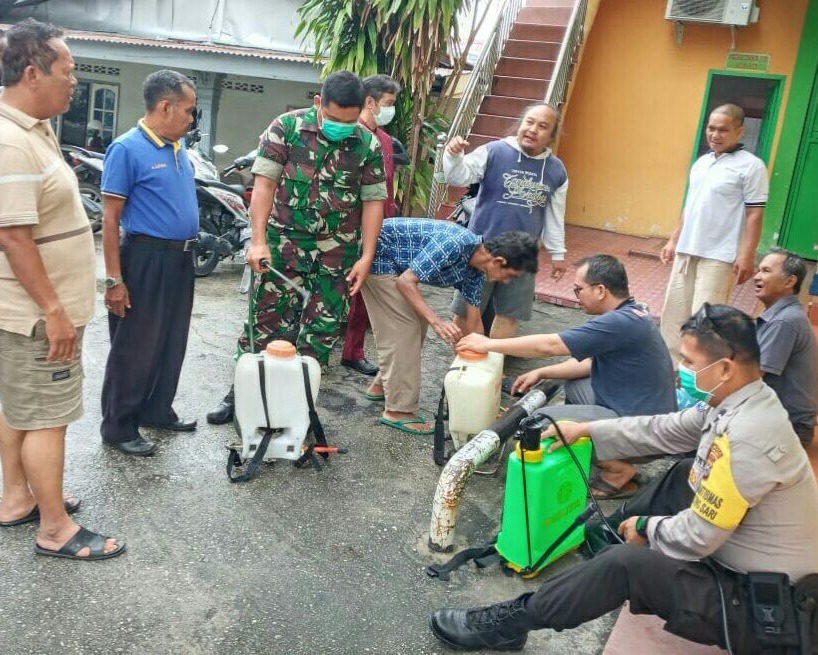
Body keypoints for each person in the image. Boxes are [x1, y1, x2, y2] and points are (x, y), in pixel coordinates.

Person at [431, 304, 818, 654]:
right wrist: (587, 431)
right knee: (686, 473)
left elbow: (699, 535)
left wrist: (648, 527)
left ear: (726, 368)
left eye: (688, 360)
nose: (680, 369)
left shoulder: (748, 437)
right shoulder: (743, 401)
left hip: (766, 611)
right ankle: (605, 543)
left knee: (627, 565)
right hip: (747, 572)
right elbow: (664, 429)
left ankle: (509, 625)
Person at [0, 18, 124, 560]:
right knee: (49, 418)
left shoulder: (33, 126)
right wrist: (53, 310)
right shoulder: (10, 140)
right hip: (36, 314)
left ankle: (15, 497)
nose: (76, 82)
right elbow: (12, 236)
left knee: (19, 410)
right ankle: (54, 529)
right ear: (33, 74)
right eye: (68, 72)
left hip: (31, 310)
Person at [207, 71, 386, 426]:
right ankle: (241, 396)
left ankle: (296, 407)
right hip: (282, 247)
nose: (342, 128)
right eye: (334, 120)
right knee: (264, 324)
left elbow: (373, 202)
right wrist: (257, 240)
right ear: (318, 103)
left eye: (349, 122)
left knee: (320, 332)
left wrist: (366, 257)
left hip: (337, 255)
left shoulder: (368, 144)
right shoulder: (286, 127)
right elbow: (264, 185)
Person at [458, 254, 677, 498]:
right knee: (575, 385)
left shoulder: (618, 323)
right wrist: (543, 372)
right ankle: (600, 449)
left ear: (601, 290)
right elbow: (589, 363)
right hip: (644, 418)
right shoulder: (632, 313)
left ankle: (618, 471)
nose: (577, 295)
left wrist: (488, 344)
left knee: (539, 423)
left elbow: (549, 346)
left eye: (578, 289)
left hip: (644, 432)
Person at [99, 69, 199, 457]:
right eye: (189, 111)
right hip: (144, 258)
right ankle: (119, 426)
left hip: (180, 258)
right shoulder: (127, 149)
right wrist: (114, 281)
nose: (192, 119)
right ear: (165, 106)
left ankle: (157, 409)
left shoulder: (179, 146)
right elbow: (109, 221)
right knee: (135, 345)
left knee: (172, 339)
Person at [362, 219, 538, 435]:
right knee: (404, 329)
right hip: (377, 255)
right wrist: (438, 322)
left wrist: (481, 357)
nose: (508, 281)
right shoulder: (456, 244)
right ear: (499, 261)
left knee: (417, 324)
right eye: (510, 275)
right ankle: (398, 411)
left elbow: (474, 322)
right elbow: (406, 282)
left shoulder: (475, 270)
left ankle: (381, 387)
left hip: (396, 266)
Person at [443, 102, 568, 339]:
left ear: (551, 136)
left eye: (542, 126)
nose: (532, 129)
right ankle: (461, 369)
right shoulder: (494, 151)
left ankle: (493, 372)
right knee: (464, 313)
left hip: (523, 256)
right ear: (520, 125)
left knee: (509, 316)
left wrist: (558, 254)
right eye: (529, 122)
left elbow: (554, 216)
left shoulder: (556, 171)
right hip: (482, 250)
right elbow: (458, 176)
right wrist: (454, 155)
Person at [660, 103, 768, 362]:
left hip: (719, 256)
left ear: (740, 132)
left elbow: (755, 214)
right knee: (673, 314)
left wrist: (747, 255)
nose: (715, 135)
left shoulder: (752, 166)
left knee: (705, 319)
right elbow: (691, 205)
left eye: (723, 130)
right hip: (687, 250)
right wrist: (674, 239)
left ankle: (695, 372)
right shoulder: (702, 162)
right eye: (711, 128)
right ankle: (670, 369)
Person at [340, 74, 401, 377]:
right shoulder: (351, 134)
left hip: (379, 229)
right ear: (369, 101)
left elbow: (385, 191)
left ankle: (353, 351)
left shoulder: (387, 141)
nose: (391, 110)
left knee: (363, 296)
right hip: (348, 227)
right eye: (388, 104)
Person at [754, 247, 817, 447]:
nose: (756, 276)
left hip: (788, 428)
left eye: (765, 271)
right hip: (779, 421)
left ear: (789, 281)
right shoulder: (782, 315)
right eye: (758, 270)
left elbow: (751, 377)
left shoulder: (784, 321)